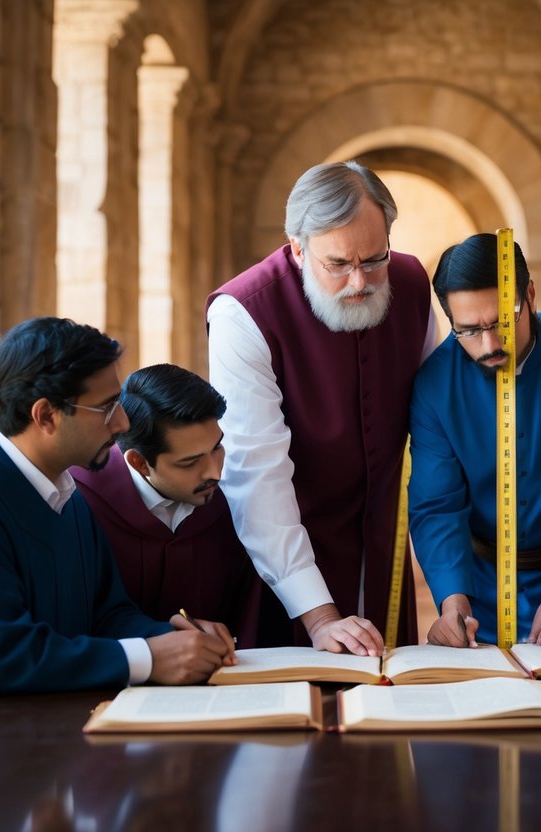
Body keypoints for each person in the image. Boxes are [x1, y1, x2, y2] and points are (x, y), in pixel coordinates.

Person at [0, 318, 236, 740]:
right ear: (46, 415)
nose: (123, 423)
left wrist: (172, 637)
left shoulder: (66, 495)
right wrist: (146, 657)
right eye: (107, 408)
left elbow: (106, 613)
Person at [207, 161, 435, 655]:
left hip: (383, 554)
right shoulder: (241, 314)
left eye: (374, 259)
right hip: (281, 562)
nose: (360, 281)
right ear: (297, 247)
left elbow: (436, 427)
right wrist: (319, 615)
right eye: (338, 264)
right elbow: (255, 474)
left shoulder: (413, 285)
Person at [408, 232, 541, 646]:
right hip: (479, 592)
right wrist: (452, 604)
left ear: (530, 296)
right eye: (469, 330)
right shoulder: (433, 385)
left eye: (502, 321)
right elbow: (437, 506)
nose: (489, 345)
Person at [72, 364, 265, 642]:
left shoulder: (231, 499)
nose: (215, 472)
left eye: (217, 448)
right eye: (190, 462)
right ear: (139, 463)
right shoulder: (80, 504)